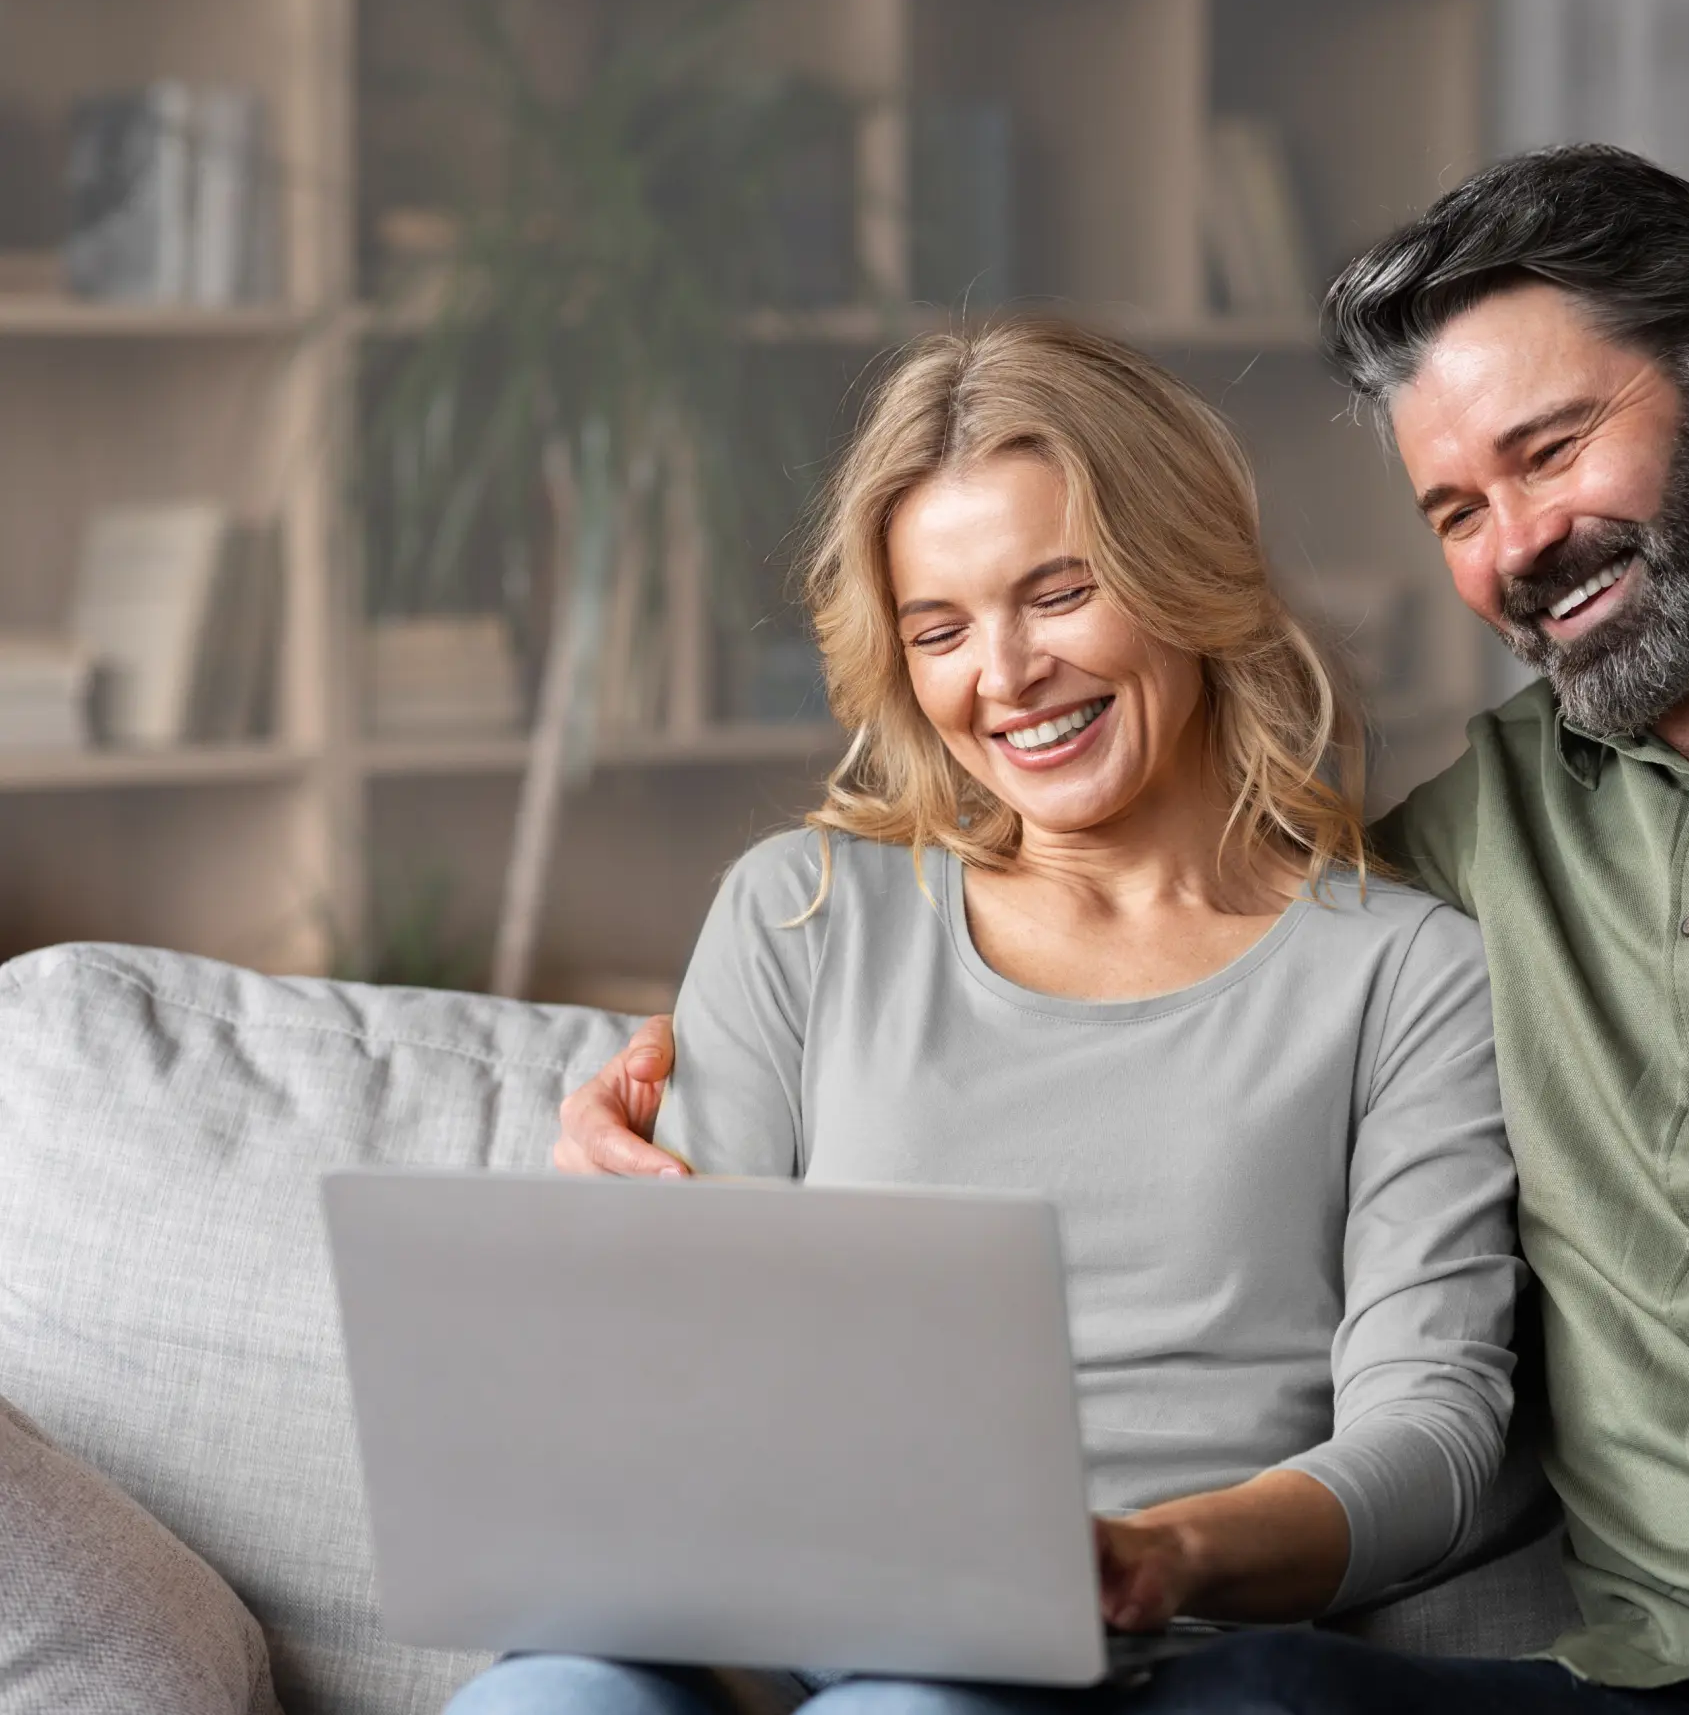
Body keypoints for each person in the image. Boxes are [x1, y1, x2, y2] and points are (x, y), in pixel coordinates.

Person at [568, 146, 1689, 1715]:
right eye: (1452, 511)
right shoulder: (1467, 855)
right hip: (1655, 1674)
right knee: (1244, 1700)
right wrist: (653, 1108)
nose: (1517, 545)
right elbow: (1189, 960)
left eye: (1550, 450)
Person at [448, 320, 1525, 1715]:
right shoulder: (805, 911)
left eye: (1058, 592)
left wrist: (1163, 1553)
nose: (1003, 676)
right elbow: (673, 1367)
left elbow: (1431, 1436)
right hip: (757, 1612)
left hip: (1101, 1657)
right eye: (938, 629)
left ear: (1186, 574)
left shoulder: (1402, 977)